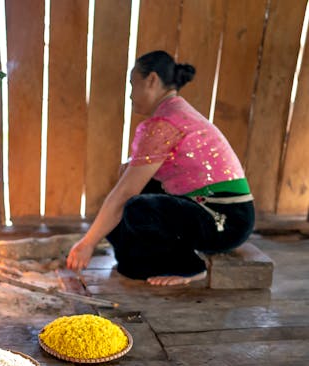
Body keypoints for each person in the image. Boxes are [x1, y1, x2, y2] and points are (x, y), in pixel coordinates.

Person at [66, 50, 255, 286]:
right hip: (207, 210)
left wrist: (88, 243)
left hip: (226, 220)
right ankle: (141, 260)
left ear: (152, 80)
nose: (130, 95)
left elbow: (126, 193)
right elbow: (129, 179)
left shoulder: (167, 122)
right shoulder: (173, 113)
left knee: (136, 205)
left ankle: (190, 267)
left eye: (133, 85)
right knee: (130, 265)